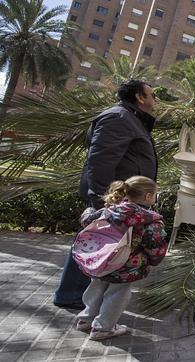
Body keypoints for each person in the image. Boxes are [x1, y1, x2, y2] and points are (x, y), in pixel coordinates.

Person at [53, 80, 158, 309]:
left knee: (104, 244)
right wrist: (102, 200)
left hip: (120, 197)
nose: (155, 99)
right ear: (140, 97)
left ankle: (82, 296)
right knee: (94, 241)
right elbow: (100, 160)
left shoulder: (130, 119)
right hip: (112, 198)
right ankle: (71, 294)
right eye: (152, 94)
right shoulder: (119, 118)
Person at [75, 176, 167, 340]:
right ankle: (103, 328)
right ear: (147, 197)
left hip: (100, 260)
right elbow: (155, 245)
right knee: (117, 294)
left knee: (96, 287)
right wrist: (155, 260)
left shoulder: (110, 209)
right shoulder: (149, 220)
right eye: (155, 194)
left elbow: (86, 220)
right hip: (126, 266)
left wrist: (89, 210)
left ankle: (86, 320)